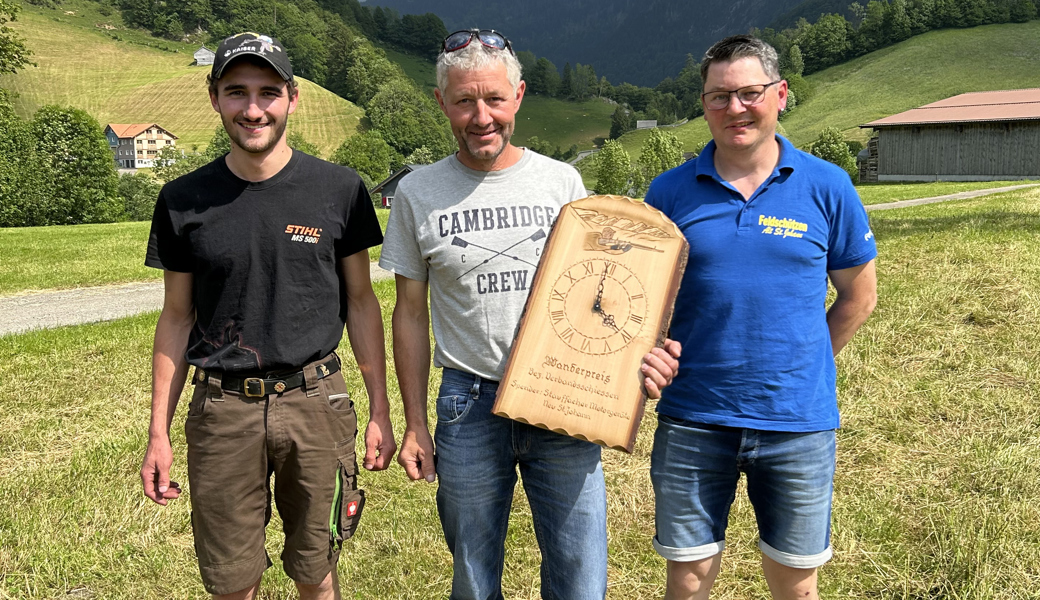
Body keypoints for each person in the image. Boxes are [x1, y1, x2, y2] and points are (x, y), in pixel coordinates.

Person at [379, 29, 679, 600]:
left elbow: (600, 291)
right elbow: (410, 315)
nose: (481, 115)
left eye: (494, 98)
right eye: (465, 100)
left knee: (579, 577)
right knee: (472, 576)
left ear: (519, 96)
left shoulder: (561, 182)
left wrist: (638, 353)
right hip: (468, 403)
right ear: (442, 103)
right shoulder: (418, 193)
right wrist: (415, 421)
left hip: (560, 395)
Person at [139, 32, 396, 600]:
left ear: (292, 98)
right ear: (214, 98)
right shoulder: (182, 200)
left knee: (316, 570)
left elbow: (361, 302)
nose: (253, 109)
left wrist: (380, 408)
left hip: (316, 404)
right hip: (221, 411)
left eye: (267, 92)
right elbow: (176, 318)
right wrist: (158, 430)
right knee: (232, 582)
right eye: (237, 92)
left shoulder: (341, 189)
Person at [644, 35, 878, 600]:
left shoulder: (827, 186)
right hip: (694, 417)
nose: (734, 109)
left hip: (797, 420)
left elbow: (858, 296)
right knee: (690, 574)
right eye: (718, 97)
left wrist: (803, 358)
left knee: (795, 581)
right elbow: (641, 303)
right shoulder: (669, 192)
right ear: (703, 104)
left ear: (781, 94)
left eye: (749, 93)